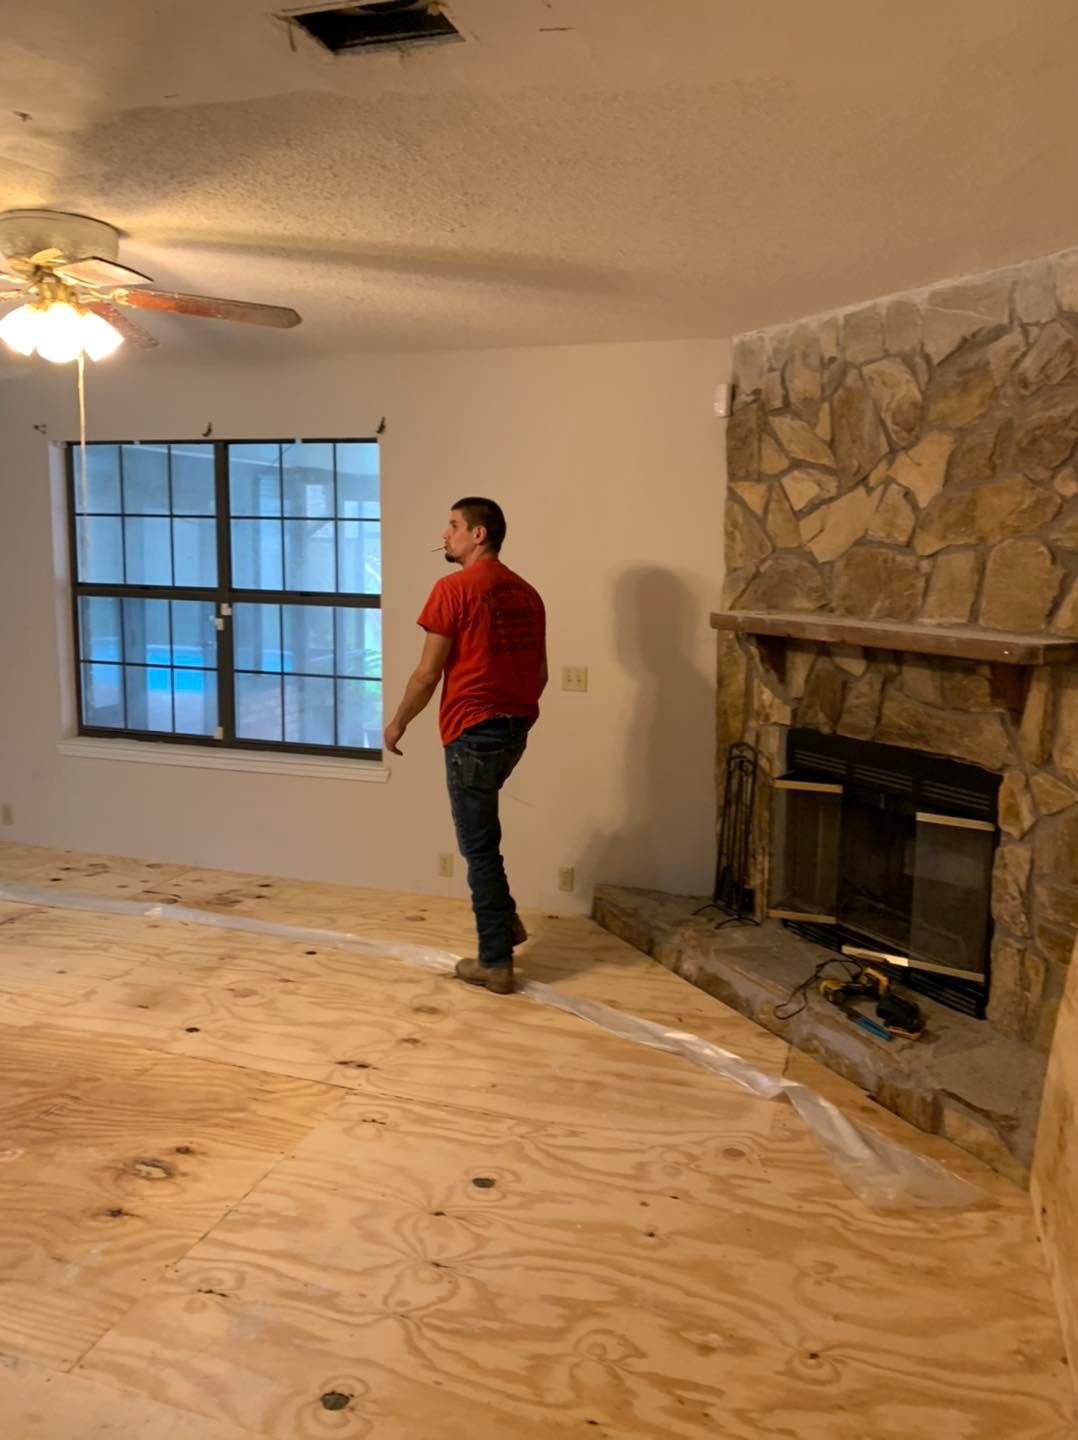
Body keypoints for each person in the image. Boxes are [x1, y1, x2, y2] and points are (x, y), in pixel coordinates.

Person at [384, 497, 547, 995]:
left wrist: (397, 724)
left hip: (471, 731)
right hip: (513, 731)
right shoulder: (527, 593)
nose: (446, 533)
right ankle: (506, 922)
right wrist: (512, 714)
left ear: (479, 534)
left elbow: (427, 673)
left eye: (454, 525)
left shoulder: (452, 589)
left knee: (479, 849)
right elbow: (538, 674)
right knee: (485, 840)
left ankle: (494, 962)